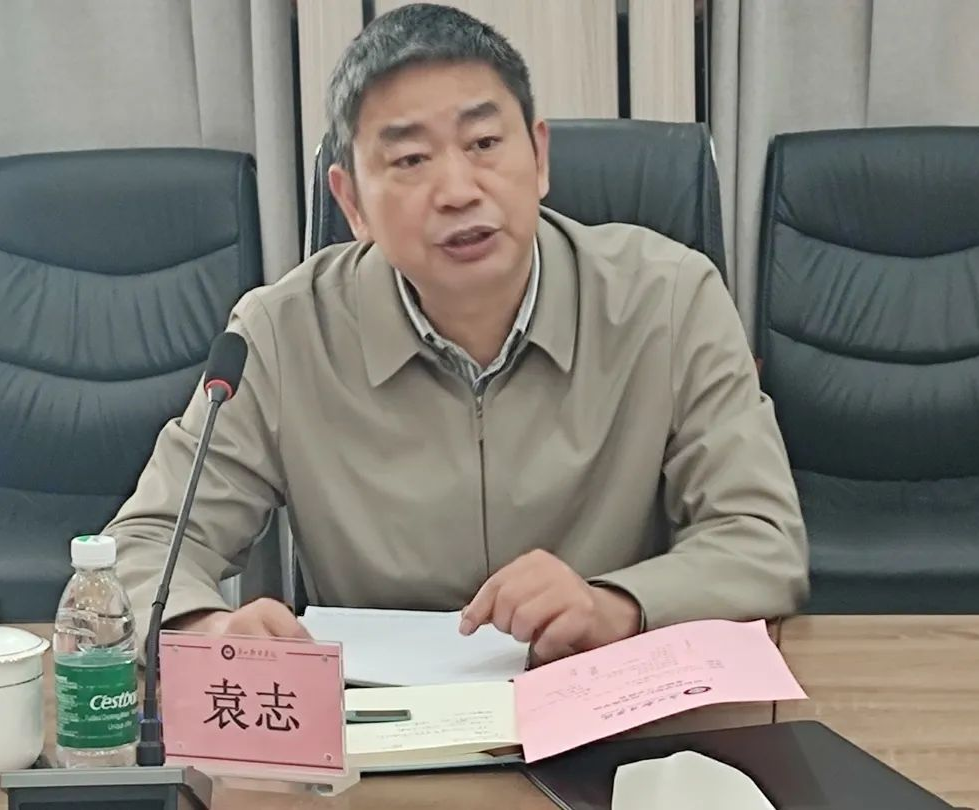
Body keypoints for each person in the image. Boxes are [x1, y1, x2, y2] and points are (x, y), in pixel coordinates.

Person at [107, 2, 807, 665]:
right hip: (370, 727)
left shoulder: (670, 300)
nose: (458, 190)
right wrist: (207, 628)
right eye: (411, 160)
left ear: (539, 157)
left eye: (484, 144)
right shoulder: (283, 335)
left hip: (606, 706)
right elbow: (143, 547)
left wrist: (617, 605)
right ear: (351, 201)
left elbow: (761, 542)